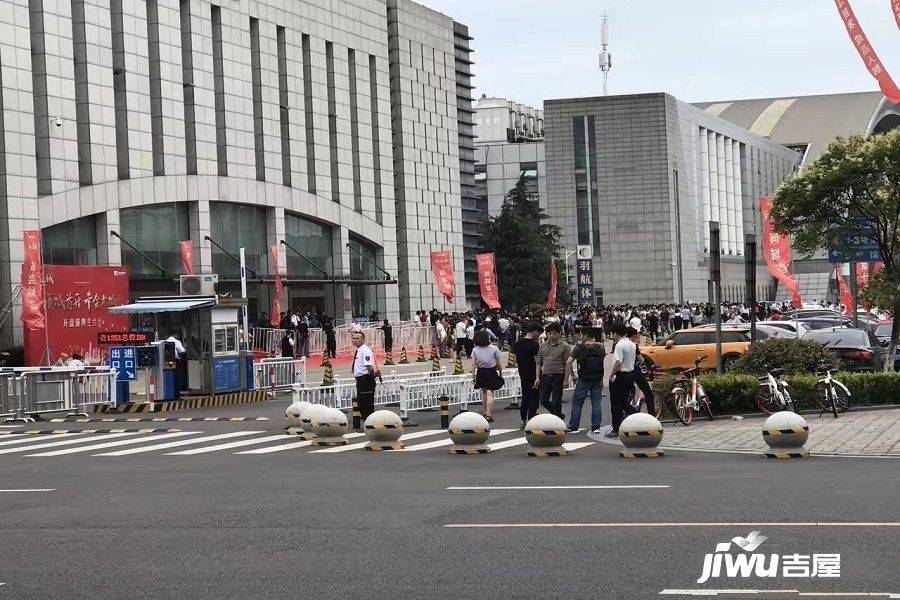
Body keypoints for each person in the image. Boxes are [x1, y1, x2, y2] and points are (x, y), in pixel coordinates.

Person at [566, 326, 606, 435]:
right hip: (597, 378)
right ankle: (596, 427)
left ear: (586, 335)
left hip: (584, 378)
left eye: (582, 334)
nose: (580, 336)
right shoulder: (601, 347)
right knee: (596, 403)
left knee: (578, 403)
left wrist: (573, 375)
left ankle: (574, 426)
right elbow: (601, 361)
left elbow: (568, 362)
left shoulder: (579, 347)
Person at [535, 322, 571, 419]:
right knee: (543, 399)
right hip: (546, 375)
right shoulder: (543, 346)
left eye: (554, 333)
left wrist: (566, 379)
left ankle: (557, 419)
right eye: (549, 333)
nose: (552, 336)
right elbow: (539, 363)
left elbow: (567, 363)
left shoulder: (565, 346)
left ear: (559, 333)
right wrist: (537, 377)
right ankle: (558, 415)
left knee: (556, 400)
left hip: (559, 375)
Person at [606, 322, 636, 438]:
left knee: (616, 403)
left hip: (620, 375)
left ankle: (616, 428)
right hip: (630, 374)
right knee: (624, 401)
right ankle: (635, 415)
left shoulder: (619, 345)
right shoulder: (631, 344)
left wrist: (611, 375)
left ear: (615, 332)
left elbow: (618, 362)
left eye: (612, 333)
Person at [512, 322, 542, 428]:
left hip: (522, 373)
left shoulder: (517, 344)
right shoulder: (534, 345)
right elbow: (537, 362)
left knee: (525, 397)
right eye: (539, 333)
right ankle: (531, 420)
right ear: (534, 332)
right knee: (533, 398)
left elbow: (515, 360)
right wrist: (538, 376)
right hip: (533, 374)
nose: (538, 336)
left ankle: (523, 420)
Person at [471, 329, 503, 423]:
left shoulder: (475, 349)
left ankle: (485, 412)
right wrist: (501, 373)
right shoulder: (494, 348)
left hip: (481, 371)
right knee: (490, 393)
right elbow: (498, 363)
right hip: (491, 371)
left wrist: (473, 376)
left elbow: (473, 364)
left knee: (484, 392)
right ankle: (489, 414)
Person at [351, 331, 377, 426]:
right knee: (361, 403)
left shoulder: (365, 350)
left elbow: (369, 367)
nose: (355, 340)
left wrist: (371, 377)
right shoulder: (359, 350)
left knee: (366, 404)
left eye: (357, 338)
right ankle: (367, 424)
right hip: (361, 379)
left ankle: (370, 424)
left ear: (363, 339)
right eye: (353, 338)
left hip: (366, 379)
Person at [165, 331, 188, 398]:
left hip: (167, 362)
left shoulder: (165, 341)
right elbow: (183, 351)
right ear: (175, 335)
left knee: (171, 378)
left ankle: (170, 394)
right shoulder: (176, 341)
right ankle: (177, 395)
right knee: (178, 378)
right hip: (176, 362)